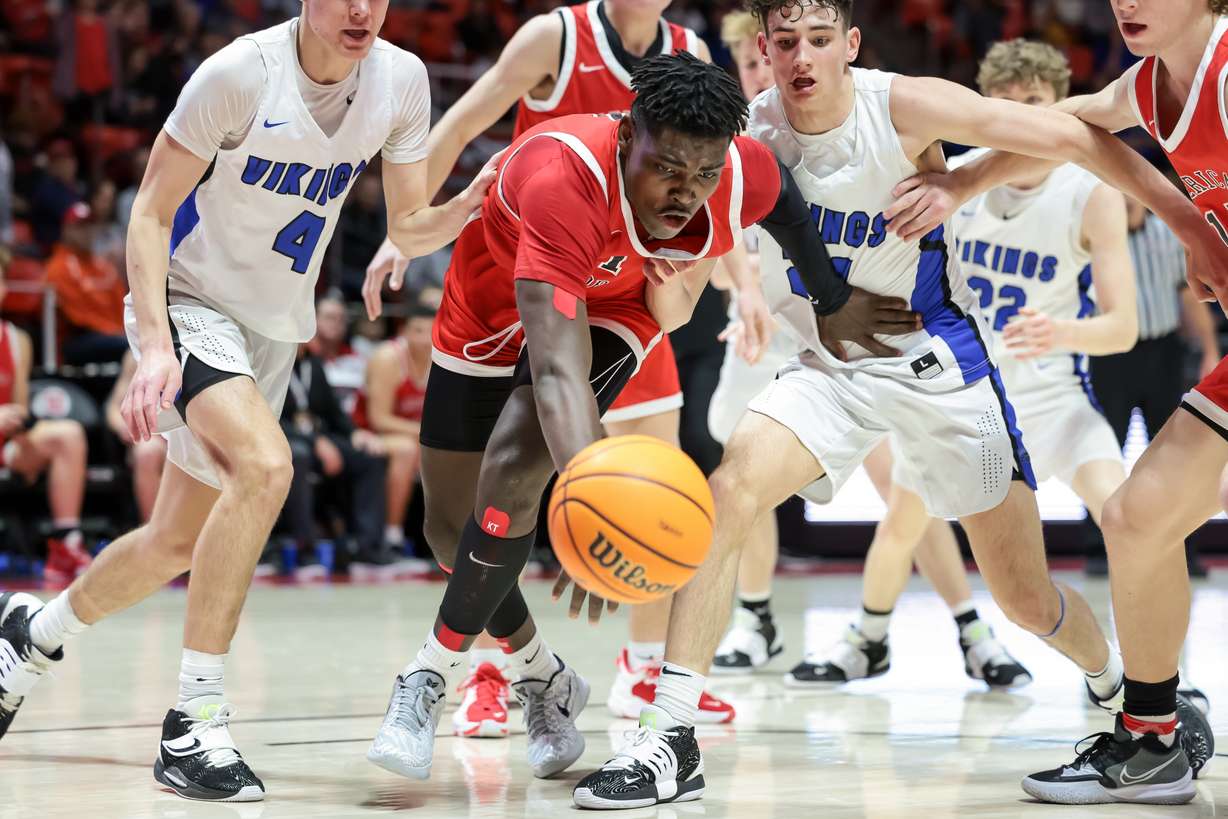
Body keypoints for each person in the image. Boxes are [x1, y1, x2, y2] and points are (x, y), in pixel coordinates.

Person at [571, 0, 1223, 808]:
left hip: (937, 365)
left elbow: (1072, 137)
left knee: (1025, 597)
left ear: (849, 44)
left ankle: (1119, 684)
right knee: (728, 489)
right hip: (830, 366)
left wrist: (1189, 226)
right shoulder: (745, 139)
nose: (801, 58)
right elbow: (678, 305)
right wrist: (667, 284)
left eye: (818, 40)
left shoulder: (903, 104)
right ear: (764, 48)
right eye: (785, 42)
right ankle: (670, 733)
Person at [363, 52, 916, 784]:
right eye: (668, 169)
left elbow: (783, 201)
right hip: (492, 301)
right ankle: (543, 674)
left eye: (704, 173)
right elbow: (555, 372)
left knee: (514, 465)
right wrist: (595, 499)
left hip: (617, 307)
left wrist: (831, 296)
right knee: (448, 530)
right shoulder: (564, 180)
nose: (686, 191)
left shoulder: (734, 170)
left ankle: (428, 674)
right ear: (628, 136)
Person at [0, 0, 493, 802]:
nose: (362, 8)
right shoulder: (239, 74)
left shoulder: (401, 80)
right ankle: (192, 720)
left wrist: (469, 206)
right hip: (192, 302)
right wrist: (155, 343)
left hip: (273, 329)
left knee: (172, 542)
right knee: (267, 468)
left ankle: (30, 635)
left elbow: (408, 225)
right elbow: (150, 211)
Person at [362, 0, 754, 735]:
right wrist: (408, 225)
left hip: (620, 289)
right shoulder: (558, 37)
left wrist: (746, 285)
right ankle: (513, 670)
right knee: (459, 522)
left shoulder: (690, 56)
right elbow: (461, 124)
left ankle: (644, 669)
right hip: (523, 261)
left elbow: (735, 185)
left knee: (634, 480)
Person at [885, 0, 1228, 804]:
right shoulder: (1148, 87)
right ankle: (1153, 739)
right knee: (1135, 516)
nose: (1126, 2)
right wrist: (964, 179)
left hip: (1071, 391)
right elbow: (1070, 129)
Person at [785, 38, 1138, 690]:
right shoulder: (953, 174)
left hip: (1054, 397)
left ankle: (1150, 673)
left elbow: (1124, 329)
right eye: (1009, 104)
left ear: (1058, 106)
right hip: (962, 389)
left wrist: (1061, 330)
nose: (1023, 117)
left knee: (1130, 518)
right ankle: (867, 638)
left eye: (1036, 103)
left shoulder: (1088, 192)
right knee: (902, 522)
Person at [1086, 195, 1220, 577]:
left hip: (1162, 353)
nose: (1125, 199)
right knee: (1102, 452)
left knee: (1175, 456)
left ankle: (1182, 550)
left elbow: (1188, 298)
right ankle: (1101, 551)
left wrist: (1210, 350)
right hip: (1110, 357)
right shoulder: (1095, 236)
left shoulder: (1167, 234)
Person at [0, 254, 93, 584]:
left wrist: (21, 429)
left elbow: (21, 409)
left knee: (68, 434)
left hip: (6, 446)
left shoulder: (17, 340)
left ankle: (66, 544)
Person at [280, 344, 391, 574]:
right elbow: (270, 416)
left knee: (368, 458)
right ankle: (306, 552)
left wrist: (355, 433)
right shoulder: (271, 361)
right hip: (285, 438)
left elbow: (333, 410)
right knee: (298, 456)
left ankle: (367, 548)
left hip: (320, 439)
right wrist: (314, 441)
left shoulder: (314, 364)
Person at [353, 302, 433, 553]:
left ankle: (444, 537)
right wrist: (425, 434)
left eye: (432, 331)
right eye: (418, 331)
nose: (425, 339)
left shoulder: (440, 358)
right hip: (367, 434)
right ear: (404, 331)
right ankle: (392, 535)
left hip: (412, 435)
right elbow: (379, 419)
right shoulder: (388, 359)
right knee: (407, 450)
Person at [44, 201, 129, 365]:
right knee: (131, 347)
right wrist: (113, 331)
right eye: (80, 227)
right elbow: (77, 317)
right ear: (67, 230)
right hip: (79, 339)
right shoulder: (58, 268)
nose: (87, 232)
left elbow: (122, 304)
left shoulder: (104, 267)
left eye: (90, 226)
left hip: (113, 335)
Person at [106, 351, 167, 523]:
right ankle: (153, 528)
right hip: (154, 436)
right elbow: (113, 409)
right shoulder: (137, 352)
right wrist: (124, 427)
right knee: (147, 451)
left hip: (195, 433)